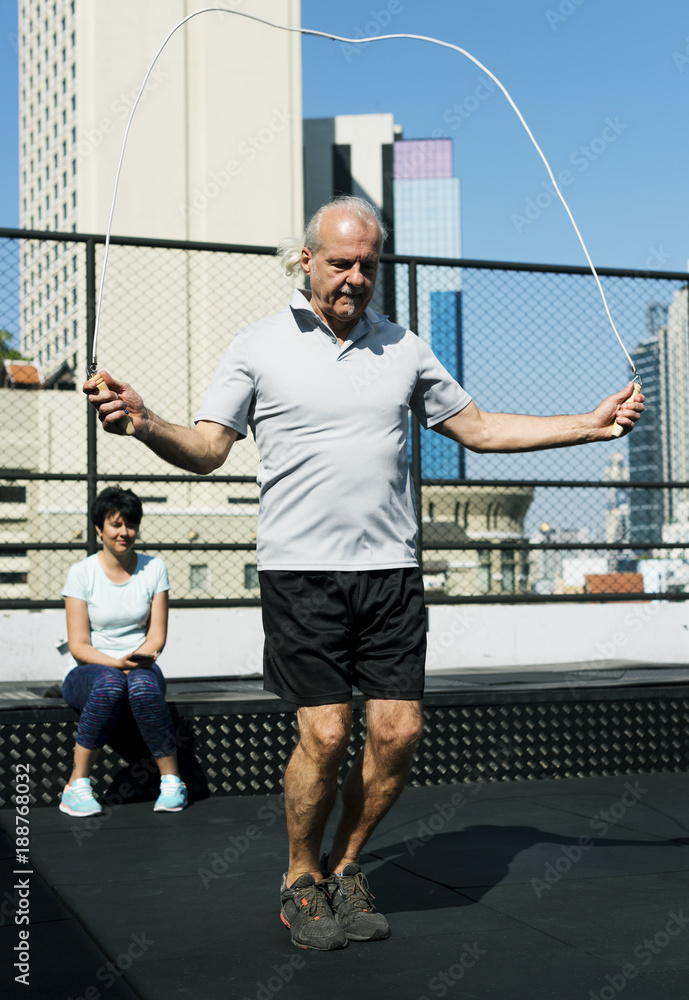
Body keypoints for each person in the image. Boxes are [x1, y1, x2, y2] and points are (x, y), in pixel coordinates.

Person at [84, 195, 643, 950]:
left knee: (398, 730)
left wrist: (589, 422)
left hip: (390, 576)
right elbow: (209, 447)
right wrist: (145, 422)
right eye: (340, 263)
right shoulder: (256, 346)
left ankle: (346, 865)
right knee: (324, 733)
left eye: (367, 266)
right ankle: (298, 877)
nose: (353, 278)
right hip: (300, 577)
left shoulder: (405, 349)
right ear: (305, 259)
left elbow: (476, 430)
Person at [60, 486, 187, 817]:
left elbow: (156, 637)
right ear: (99, 528)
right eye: (115, 525)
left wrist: (137, 660)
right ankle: (77, 785)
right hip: (90, 671)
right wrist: (117, 663)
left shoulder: (154, 568)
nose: (124, 532)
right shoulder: (81, 573)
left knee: (141, 685)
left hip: (141, 667)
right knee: (111, 683)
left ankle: (172, 781)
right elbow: (78, 646)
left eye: (130, 524)